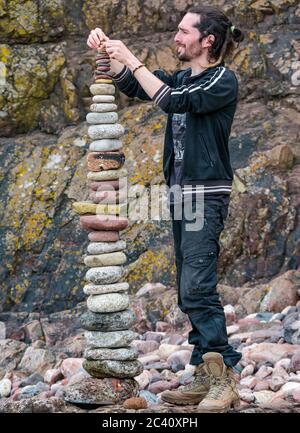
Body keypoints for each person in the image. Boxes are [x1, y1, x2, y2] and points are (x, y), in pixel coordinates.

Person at [87, 5, 244, 413]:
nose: (175, 37)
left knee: (198, 287)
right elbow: (142, 88)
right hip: (179, 194)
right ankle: (203, 374)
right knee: (186, 290)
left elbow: (170, 100)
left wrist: (133, 59)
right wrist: (112, 58)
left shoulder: (222, 80)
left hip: (206, 194)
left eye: (182, 31)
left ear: (206, 40)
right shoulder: (180, 78)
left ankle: (224, 377)